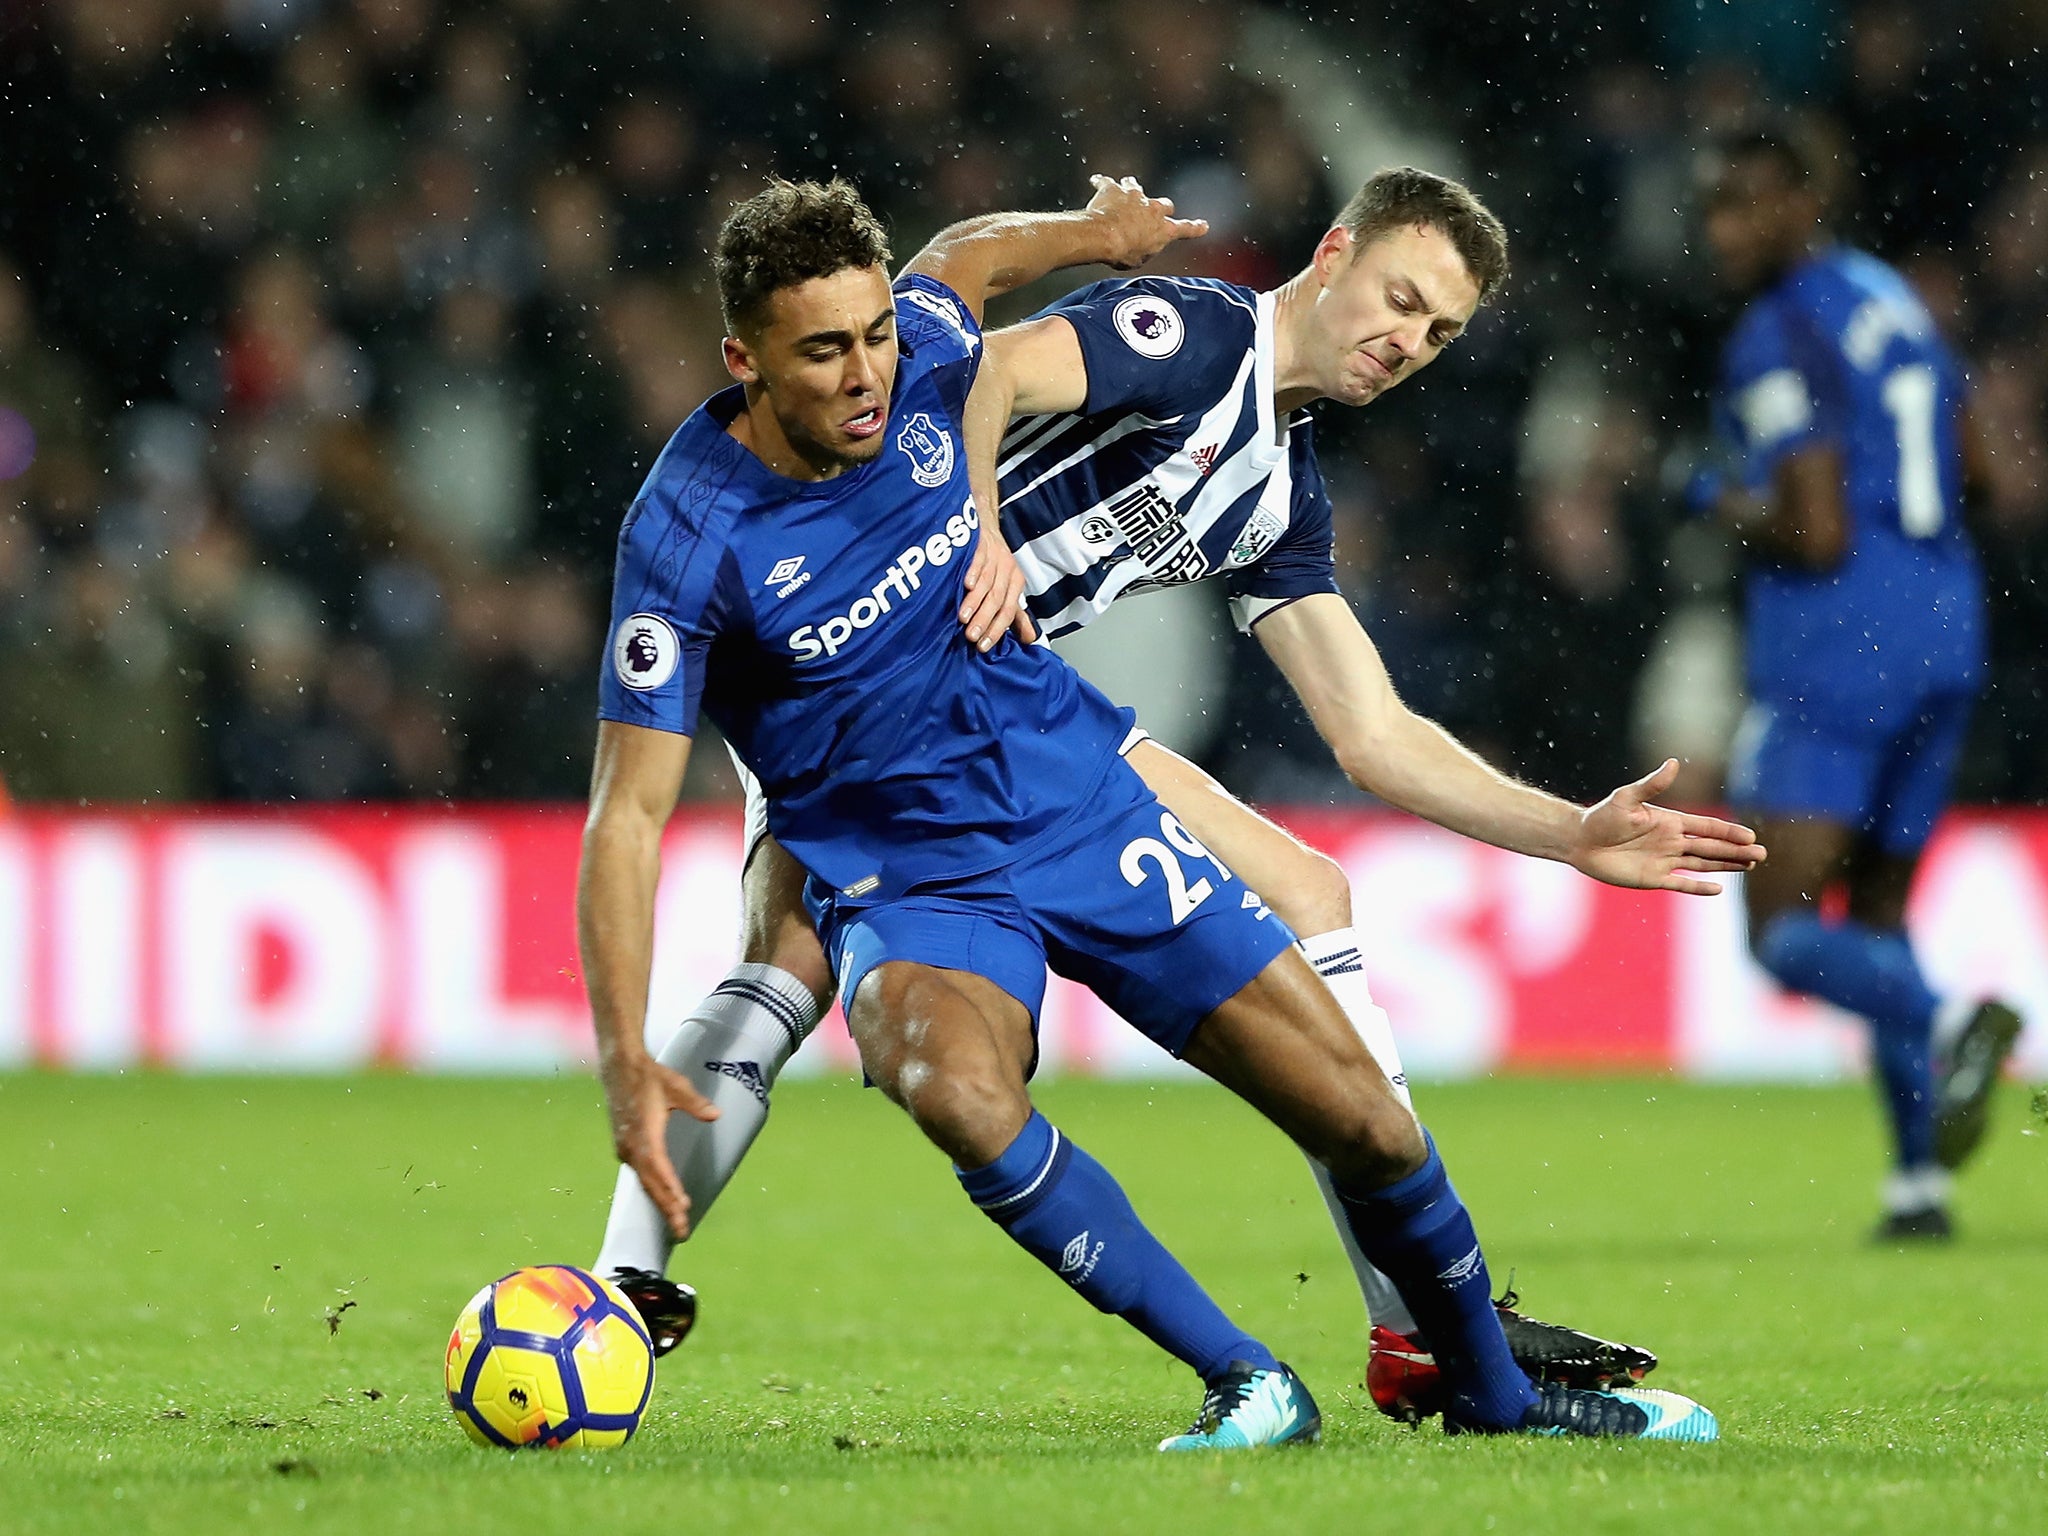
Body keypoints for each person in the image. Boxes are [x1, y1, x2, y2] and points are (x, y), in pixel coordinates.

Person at [582, 173, 1722, 1445]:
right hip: (848, 681)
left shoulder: (1276, 491)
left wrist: (1568, 832)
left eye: (1439, 333)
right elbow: (992, 353)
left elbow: (1373, 735)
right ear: (1333, 253)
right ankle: (626, 1274)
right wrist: (982, 505)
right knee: (786, 956)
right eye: (1400, 299)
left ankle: (1410, 1325)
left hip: (1017, 712)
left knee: (1311, 896)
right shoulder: (1187, 337)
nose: (1406, 341)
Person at [1696, 129, 2025, 1241]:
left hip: (1839, 646)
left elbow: (1813, 524)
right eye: (1711, 210)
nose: (1721, 233)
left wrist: (1712, 500)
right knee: (1875, 912)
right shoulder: (1887, 296)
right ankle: (1916, 1183)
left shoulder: (1774, 331)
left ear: (1801, 198)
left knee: (1779, 931)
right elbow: (1979, 470)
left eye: (1743, 206)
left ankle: (1943, 1028)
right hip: (1947, 623)